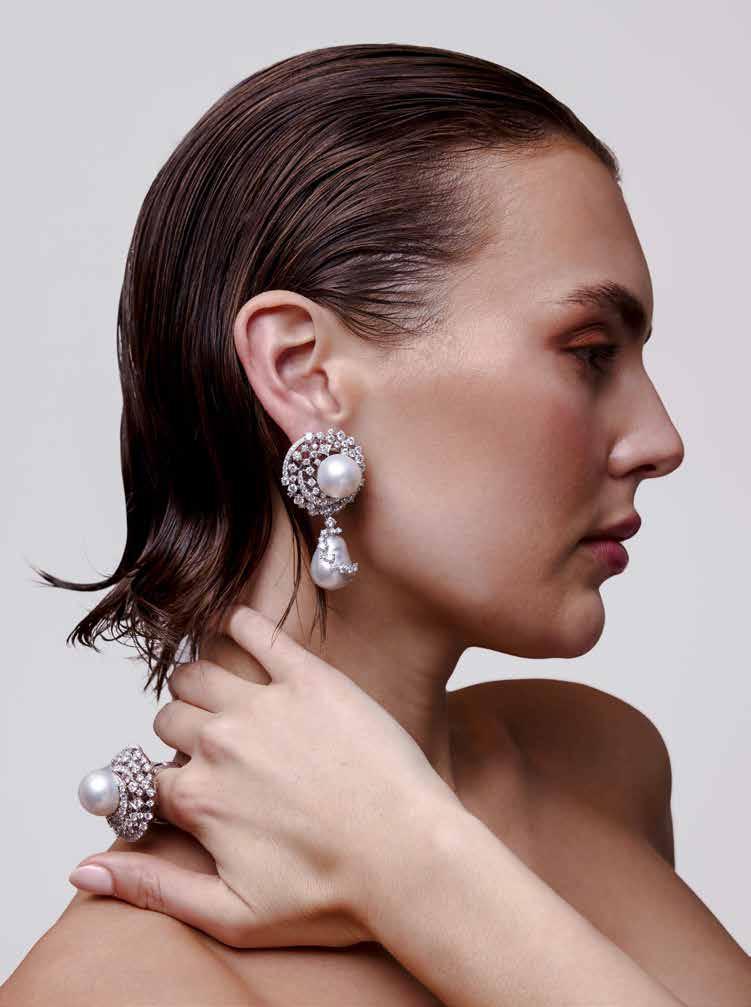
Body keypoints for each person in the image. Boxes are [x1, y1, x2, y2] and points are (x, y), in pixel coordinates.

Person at [4, 41, 750, 1007]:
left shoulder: (599, 763)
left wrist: (413, 868)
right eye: (588, 351)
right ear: (304, 373)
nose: (660, 440)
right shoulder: (119, 987)